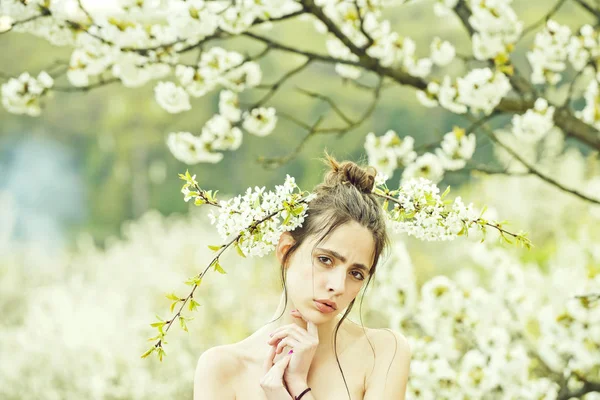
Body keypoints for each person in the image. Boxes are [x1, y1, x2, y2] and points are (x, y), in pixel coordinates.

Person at [193, 154, 411, 399]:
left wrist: (297, 389)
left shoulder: (383, 352)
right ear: (286, 250)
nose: (338, 286)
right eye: (325, 260)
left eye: (356, 273)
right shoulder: (223, 368)